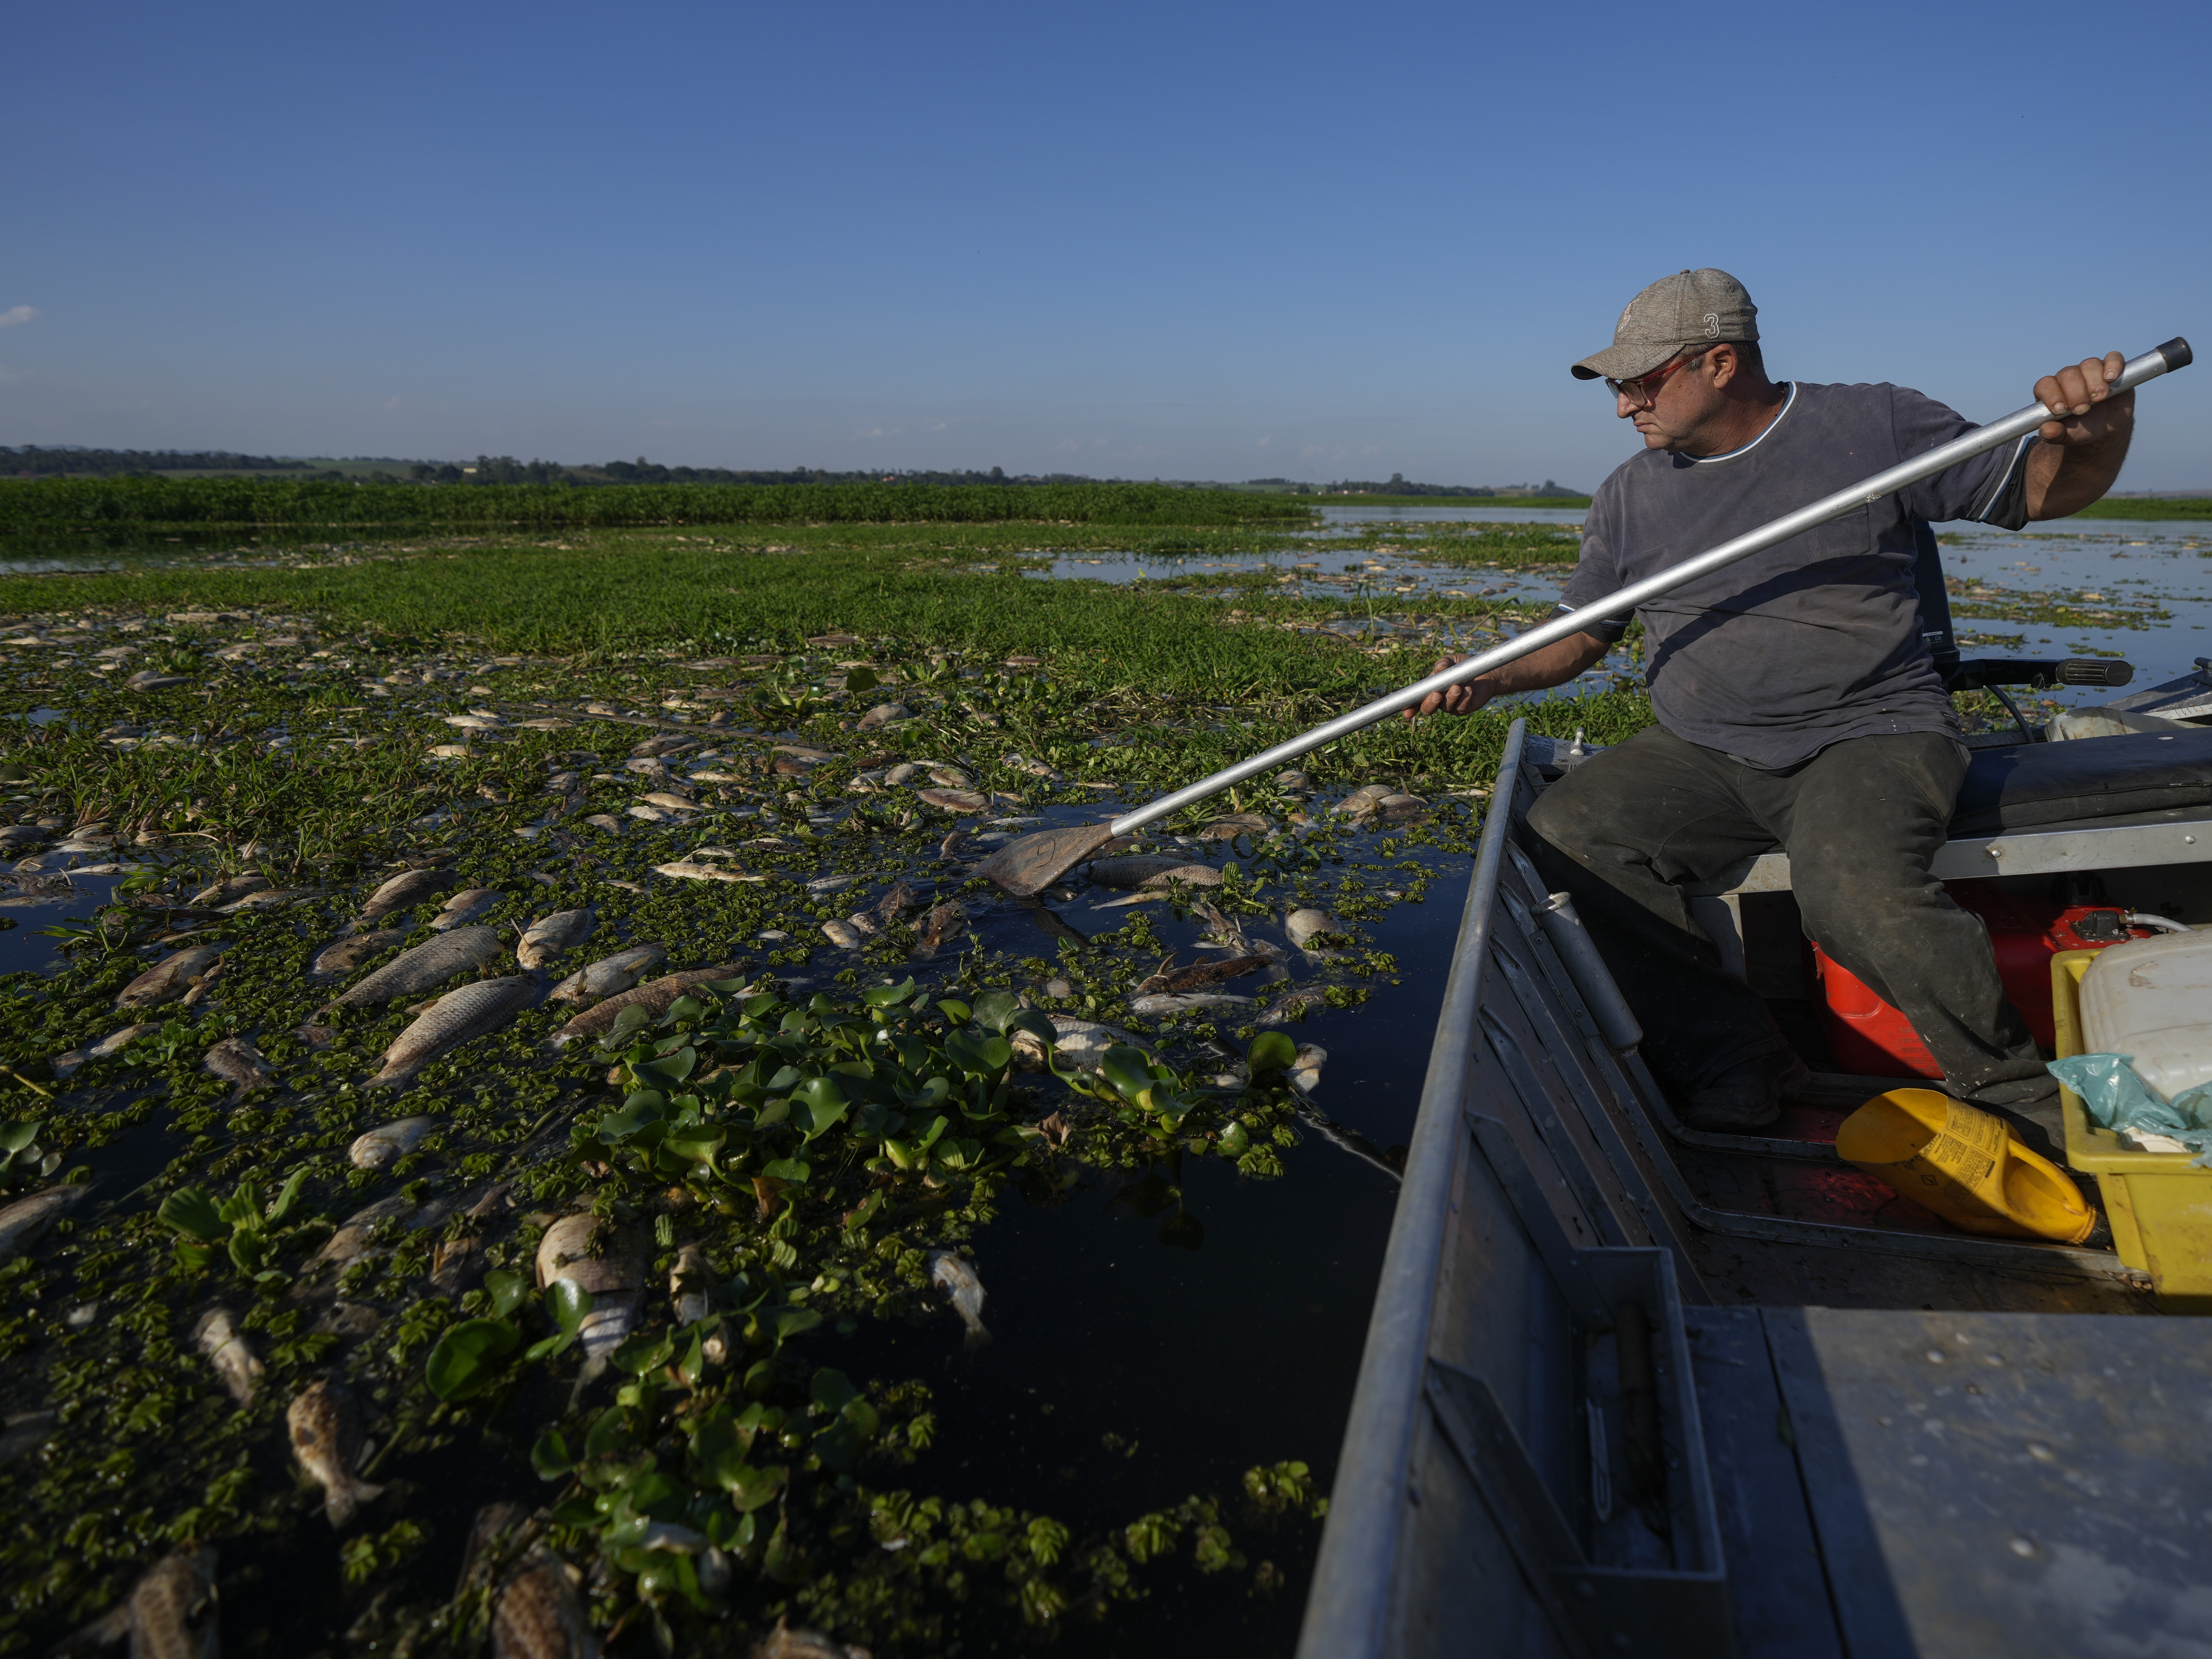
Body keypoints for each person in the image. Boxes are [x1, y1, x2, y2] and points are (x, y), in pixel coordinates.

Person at [1412, 268, 2136, 1138]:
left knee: (1852, 891)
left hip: (1870, 734)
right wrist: (1492, 678)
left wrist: (2097, 435)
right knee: (1568, 835)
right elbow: (1581, 635)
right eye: (1615, 387)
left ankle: (2021, 1098)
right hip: (1704, 748)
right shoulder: (1631, 493)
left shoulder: (1876, 425)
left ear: (1719, 363)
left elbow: (2040, 488)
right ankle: (1736, 1057)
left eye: (1639, 382)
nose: (1622, 408)